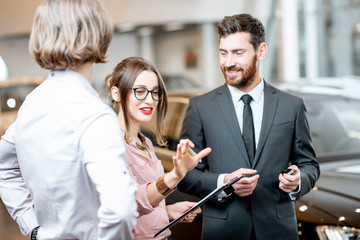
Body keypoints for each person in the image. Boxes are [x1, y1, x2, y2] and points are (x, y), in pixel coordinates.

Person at [0, 0, 138, 239]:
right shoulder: (95, 115)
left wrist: (32, 228)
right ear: (98, 34)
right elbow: (120, 209)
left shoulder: (31, 105)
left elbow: (3, 166)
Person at [177, 13, 320, 240]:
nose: (228, 62)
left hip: (278, 232)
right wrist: (224, 182)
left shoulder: (291, 106)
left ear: (261, 51)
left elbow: (309, 164)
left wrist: (299, 179)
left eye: (238, 53)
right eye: (223, 53)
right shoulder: (200, 107)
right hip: (223, 233)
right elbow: (185, 176)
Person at [105, 56, 212, 240]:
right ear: (116, 93)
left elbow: (144, 210)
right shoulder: (110, 144)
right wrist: (176, 175)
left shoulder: (144, 142)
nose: (150, 100)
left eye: (155, 93)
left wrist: (168, 211)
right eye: (140, 91)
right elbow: (129, 204)